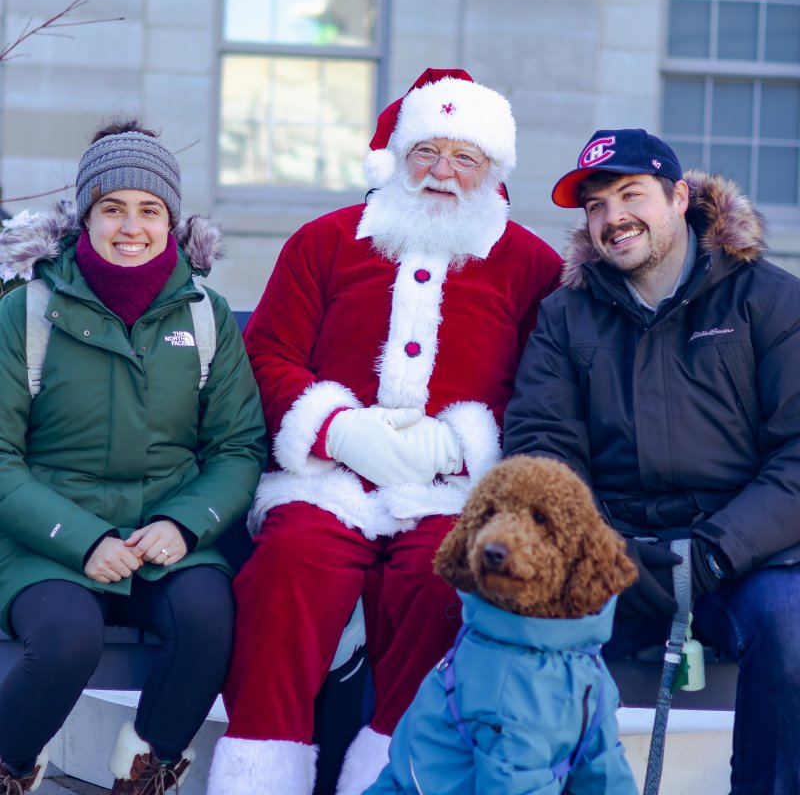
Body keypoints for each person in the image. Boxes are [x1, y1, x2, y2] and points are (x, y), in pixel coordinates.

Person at [208, 68, 563, 795]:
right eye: (427, 152)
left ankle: (394, 774)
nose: (442, 173)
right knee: (286, 573)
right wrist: (335, 428)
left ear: (492, 171)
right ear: (397, 157)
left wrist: (461, 442)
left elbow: (545, 388)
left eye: (464, 157)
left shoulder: (531, 264)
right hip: (327, 482)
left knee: (445, 584)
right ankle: (259, 772)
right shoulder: (325, 242)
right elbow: (266, 354)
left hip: (451, 492)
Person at [504, 127, 800, 795]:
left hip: (742, 555)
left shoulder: (770, 300)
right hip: (611, 551)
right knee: (522, 625)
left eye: (630, 195)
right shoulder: (565, 315)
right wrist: (601, 546)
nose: (613, 219)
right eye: (596, 206)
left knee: (792, 629)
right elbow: (542, 449)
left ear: (678, 196)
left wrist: (715, 552)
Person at [0, 120, 267, 795]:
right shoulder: (26, 312)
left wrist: (183, 524)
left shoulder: (205, 316)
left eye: (149, 210)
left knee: (209, 621)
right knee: (66, 638)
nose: (130, 226)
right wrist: (82, 538)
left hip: (164, 535)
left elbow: (237, 447)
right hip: (45, 538)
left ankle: (144, 768)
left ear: (170, 223)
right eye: (111, 208)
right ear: (84, 216)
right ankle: (7, 767)